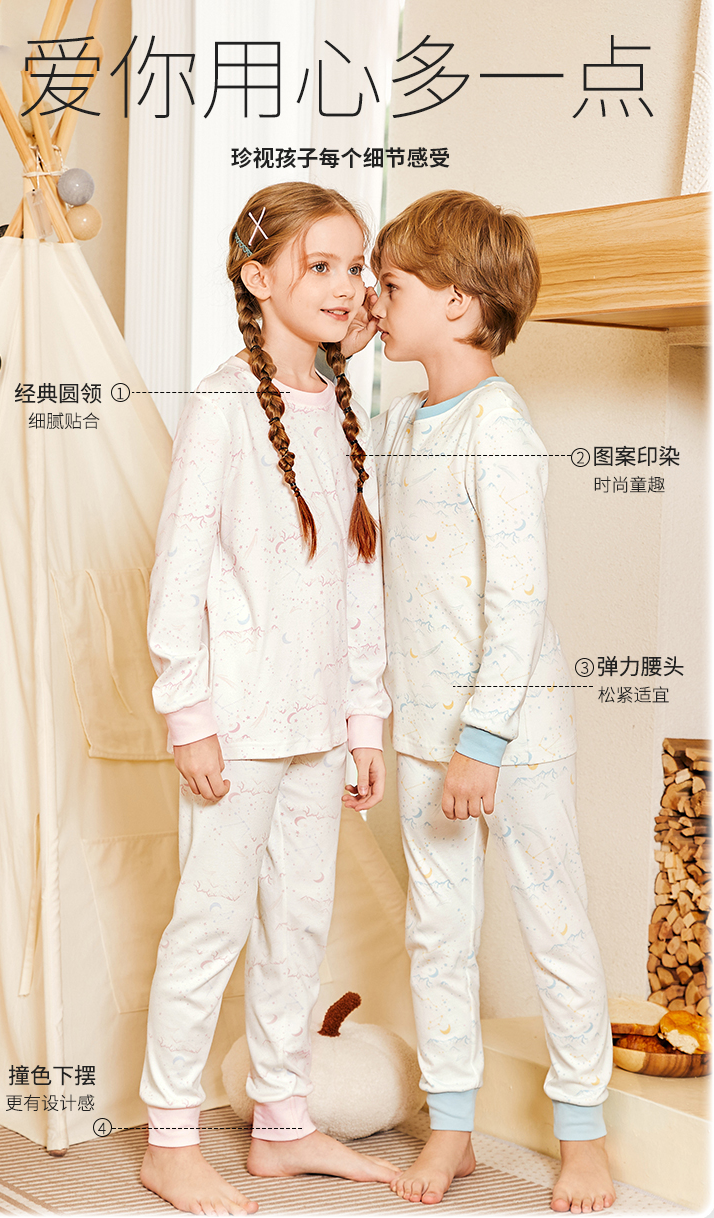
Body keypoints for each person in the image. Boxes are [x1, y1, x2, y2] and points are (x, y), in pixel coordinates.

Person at [139, 182, 398, 1215]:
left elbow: (358, 579)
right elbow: (179, 567)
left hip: (320, 724)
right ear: (257, 278)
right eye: (320, 266)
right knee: (208, 928)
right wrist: (188, 714)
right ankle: (169, 1139)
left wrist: (366, 719)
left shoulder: (336, 405)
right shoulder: (220, 404)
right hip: (239, 725)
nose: (345, 284)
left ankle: (283, 1126)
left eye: (355, 265)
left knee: (299, 926)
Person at [367, 190, 615, 1212]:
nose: (373, 302)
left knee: (554, 924)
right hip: (424, 733)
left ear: (460, 305)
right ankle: (453, 1127)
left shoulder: (498, 428)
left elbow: (519, 601)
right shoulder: (400, 420)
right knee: (438, 935)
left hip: (512, 735)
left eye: (390, 287)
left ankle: (584, 1137)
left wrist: (483, 740)